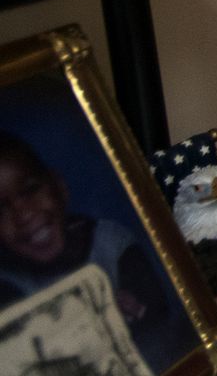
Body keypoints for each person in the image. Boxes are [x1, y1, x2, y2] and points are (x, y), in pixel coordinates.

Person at [0, 131, 193, 367]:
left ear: (59, 187)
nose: (23, 214)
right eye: (1, 209)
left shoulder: (111, 244)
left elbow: (163, 323)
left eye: (30, 190)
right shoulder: (8, 285)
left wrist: (137, 312)